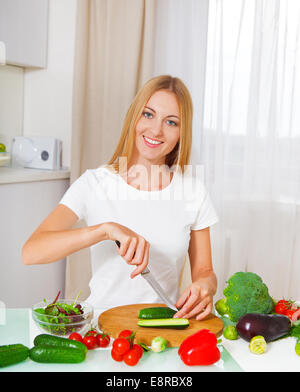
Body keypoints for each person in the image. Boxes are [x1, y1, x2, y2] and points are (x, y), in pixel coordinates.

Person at [22, 75, 218, 320]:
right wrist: (105, 230)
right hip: (101, 329)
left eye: (171, 122)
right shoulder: (94, 183)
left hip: (163, 328)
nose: (156, 130)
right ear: (134, 117)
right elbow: (31, 252)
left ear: (181, 132)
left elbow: (205, 271)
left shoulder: (194, 192)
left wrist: (205, 287)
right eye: (148, 114)